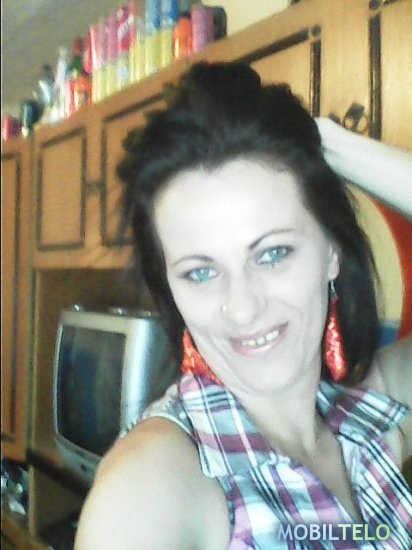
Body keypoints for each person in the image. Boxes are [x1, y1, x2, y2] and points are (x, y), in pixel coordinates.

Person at [74, 62, 412, 549]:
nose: (242, 308)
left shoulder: (365, 417)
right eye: (200, 272)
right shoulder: (152, 485)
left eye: (273, 253)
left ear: (332, 251)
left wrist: (326, 143)